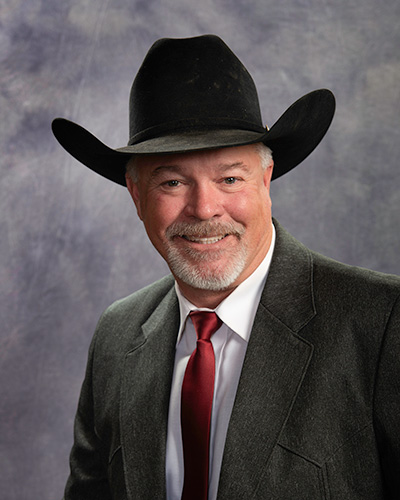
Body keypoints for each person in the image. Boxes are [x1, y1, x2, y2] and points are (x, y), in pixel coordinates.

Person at [52, 35, 400, 500]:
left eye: (229, 178)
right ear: (137, 198)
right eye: (172, 181)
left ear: (265, 180)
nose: (204, 208)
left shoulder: (382, 324)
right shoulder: (117, 336)